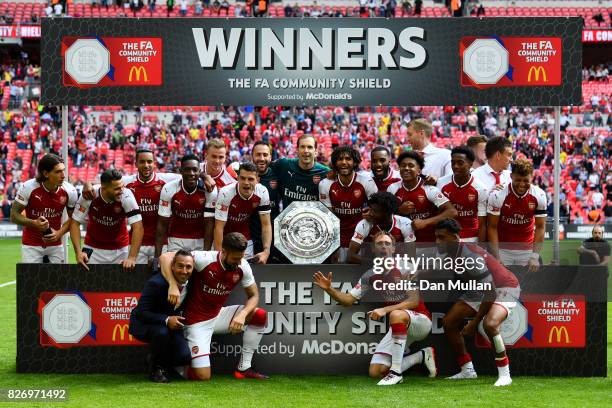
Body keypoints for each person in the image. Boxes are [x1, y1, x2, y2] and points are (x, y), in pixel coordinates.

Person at [314, 231, 436, 386]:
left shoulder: (406, 267)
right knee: (375, 372)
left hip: (421, 321)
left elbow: (413, 301)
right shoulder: (369, 275)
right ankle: (421, 356)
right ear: (373, 249)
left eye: (387, 243)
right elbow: (348, 300)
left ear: (393, 249)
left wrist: (385, 310)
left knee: (396, 314)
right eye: (379, 244)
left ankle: (396, 373)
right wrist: (329, 289)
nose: (384, 247)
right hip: (400, 326)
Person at [160, 232, 269, 380]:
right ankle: (171, 367)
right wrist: (172, 285)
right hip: (195, 322)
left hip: (218, 316)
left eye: (241, 257)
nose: (239, 262)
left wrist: (242, 315)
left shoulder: (243, 266)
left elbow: (254, 296)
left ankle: (244, 368)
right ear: (223, 252)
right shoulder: (204, 259)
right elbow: (165, 257)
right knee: (203, 377)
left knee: (259, 315)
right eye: (235, 258)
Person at [435, 219, 519, 387]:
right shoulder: (449, 250)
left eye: (442, 237)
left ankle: (504, 374)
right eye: (436, 237)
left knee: (490, 324)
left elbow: (491, 292)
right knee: (448, 323)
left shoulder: (470, 256)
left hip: (504, 287)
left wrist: (474, 323)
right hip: (479, 288)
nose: (438, 241)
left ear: (454, 237)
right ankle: (467, 369)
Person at [129, 250, 193, 383]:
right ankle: (157, 368)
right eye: (180, 266)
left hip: (172, 325)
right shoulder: (156, 283)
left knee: (184, 357)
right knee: (161, 332)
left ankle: (154, 358)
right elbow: (142, 312)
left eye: (188, 267)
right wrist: (166, 319)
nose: (184, 271)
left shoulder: (192, 282)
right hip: (146, 324)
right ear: (172, 266)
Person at [70, 169, 143, 269]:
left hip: (120, 250)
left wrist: (132, 257)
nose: (121, 190)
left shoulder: (126, 195)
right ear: (103, 188)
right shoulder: (90, 195)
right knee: (90, 284)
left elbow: (138, 227)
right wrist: (78, 253)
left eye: (122, 186)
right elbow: (75, 223)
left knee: (121, 284)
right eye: (117, 188)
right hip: (92, 249)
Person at [11, 154, 77, 263]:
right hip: (31, 245)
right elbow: (14, 216)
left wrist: (59, 233)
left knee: (59, 279)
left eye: (63, 170)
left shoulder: (70, 191)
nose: (63, 175)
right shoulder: (28, 187)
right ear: (46, 173)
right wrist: (34, 223)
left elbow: (74, 219)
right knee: (32, 280)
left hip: (56, 246)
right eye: (58, 172)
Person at [121, 149, 181, 264]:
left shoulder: (166, 180)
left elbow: (190, 175)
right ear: (136, 164)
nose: (146, 165)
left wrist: (205, 177)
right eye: (142, 162)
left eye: (149, 162)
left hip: (161, 244)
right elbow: (105, 182)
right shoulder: (127, 182)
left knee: (161, 280)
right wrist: (88, 185)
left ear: (154, 163)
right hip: (135, 244)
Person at [319, 146, 378, 261]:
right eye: (340, 159)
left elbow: (377, 210)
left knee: (359, 274)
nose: (344, 162)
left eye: (348, 159)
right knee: (339, 275)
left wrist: (371, 212)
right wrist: (332, 246)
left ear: (355, 162)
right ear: (335, 163)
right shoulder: (325, 184)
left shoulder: (367, 182)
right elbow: (328, 218)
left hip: (361, 237)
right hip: (338, 238)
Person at [487, 159, 547, 270]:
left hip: (527, 250)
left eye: (526, 180)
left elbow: (540, 226)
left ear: (531, 178)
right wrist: (497, 256)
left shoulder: (540, 195)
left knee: (528, 286)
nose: (522, 184)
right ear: (511, 176)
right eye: (518, 180)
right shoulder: (498, 195)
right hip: (502, 250)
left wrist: (534, 256)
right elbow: (492, 227)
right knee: (502, 286)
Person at [388, 151, 457, 245]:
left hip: (428, 244)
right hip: (402, 244)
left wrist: (425, 222)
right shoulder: (393, 188)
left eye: (411, 165)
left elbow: (452, 212)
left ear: (419, 170)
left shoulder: (429, 189)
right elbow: (384, 213)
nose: (406, 168)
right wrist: (399, 210)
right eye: (403, 165)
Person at [156, 154, 216, 256]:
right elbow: (162, 223)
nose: (191, 173)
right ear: (181, 171)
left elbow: (209, 224)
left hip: (200, 240)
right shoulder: (169, 188)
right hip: (176, 240)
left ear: (199, 172)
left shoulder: (209, 190)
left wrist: (206, 254)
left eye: (194, 170)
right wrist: (157, 256)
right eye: (187, 169)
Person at [214, 162, 272, 262]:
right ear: (237, 178)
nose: (246, 182)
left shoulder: (262, 192)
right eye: (242, 178)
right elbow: (219, 227)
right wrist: (219, 254)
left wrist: (266, 251)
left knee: (242, 273)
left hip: (245, 239)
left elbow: (266, 224)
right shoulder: (225, 192)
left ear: (257, 180)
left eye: (250, 179)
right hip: (224, 238)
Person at [437, 146, 488, 242]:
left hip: (471, 238)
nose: (455, 166)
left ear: (470, 164)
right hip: (447, 237)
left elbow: (482, 224)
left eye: (460, 163)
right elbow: (438, 213)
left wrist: (481, 250)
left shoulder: (480, 189)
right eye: (453, 163)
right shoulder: (441, 183)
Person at [348, 192, 415, 264]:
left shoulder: (405, 223)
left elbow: (411, 258)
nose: (369, 213)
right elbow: (351, 256)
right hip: (371, 268)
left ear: (387, 213)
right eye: (370, 209)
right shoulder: (364, 224)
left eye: (374, 211)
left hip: (398, 268)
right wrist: (378, 263)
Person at [270, 134, 330, 209]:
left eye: (310, 147)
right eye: (302, 147)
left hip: (312, 219)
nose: (306, 150)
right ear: (297, 150)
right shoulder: (284, 164)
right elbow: (264, 168)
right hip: (288, 219)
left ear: (315, 152)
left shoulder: (325, 173)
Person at [249, 141, 280, 257]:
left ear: (270, 157)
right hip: (250, 236)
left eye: (265, 155)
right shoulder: (243, 175)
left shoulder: (278, 174)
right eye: (258, 155)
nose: (262, 158)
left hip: (273, 236)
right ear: (252, 156)